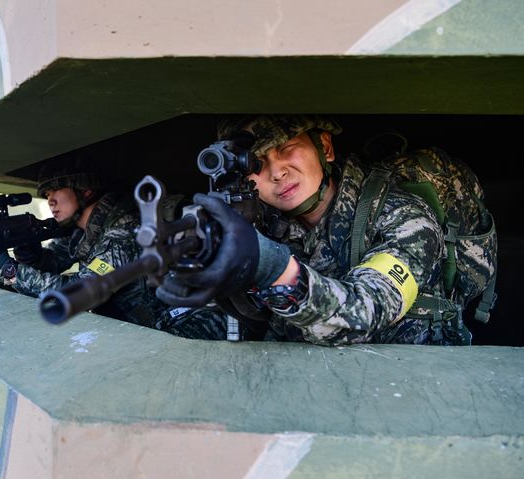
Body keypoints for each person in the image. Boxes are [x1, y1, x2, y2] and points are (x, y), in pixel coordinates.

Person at [157, 114, 470, 346]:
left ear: (325, 147)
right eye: (257, 164)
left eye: (287, 148)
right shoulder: (264, 225)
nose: (277, 171)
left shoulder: (402, 215)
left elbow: (364, 313)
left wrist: (272, 268)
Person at [0, 151, 228, 340]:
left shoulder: (120, 230)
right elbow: (55, 260)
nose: (50, 201)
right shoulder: (84, 228)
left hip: (164, 330)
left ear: (84, 191)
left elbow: (77, 292)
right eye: (46, 195)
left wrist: (9, 269)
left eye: (56, 191)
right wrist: (31, 254)